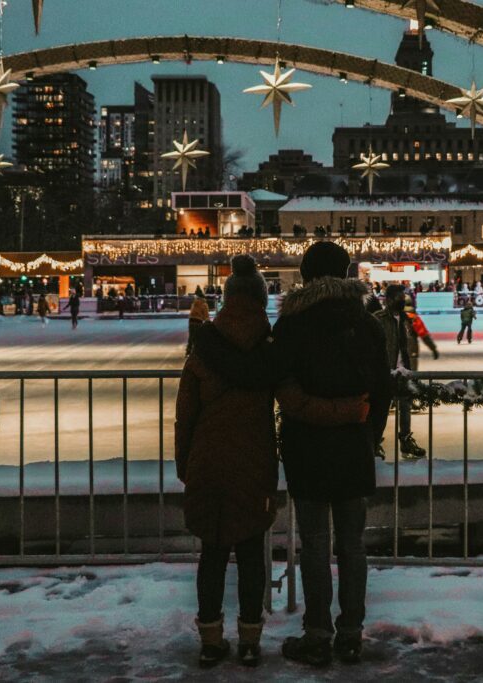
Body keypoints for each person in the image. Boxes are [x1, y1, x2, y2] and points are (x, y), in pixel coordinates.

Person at [176, 255, 369, 669]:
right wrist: (361, 420)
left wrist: (184, 465)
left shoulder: (214, 348)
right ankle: (253, 641)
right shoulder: (275, 342)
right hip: (266, 459)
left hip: (216, 460)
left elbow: (185, 413)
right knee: (257, 550)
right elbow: (293, 392)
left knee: (214, 551)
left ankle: (214, 640)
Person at [272, 242, 392, 666]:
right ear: (346, 273)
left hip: (307, 446)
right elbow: (381, 391)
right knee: (353, 545)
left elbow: (278, 380)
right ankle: (351, 632)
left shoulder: (292, 324)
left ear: (306, 276)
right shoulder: (368, 326)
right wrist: (366, 434)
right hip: (352, 447)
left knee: (316, 544)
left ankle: (318, 632)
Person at [373, 285, 435, 460]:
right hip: (385, 372)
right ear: (390, 299)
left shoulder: (408, 319)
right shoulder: (378, 319)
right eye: (400, 296)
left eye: (404, 296)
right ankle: (375, 443)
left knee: (405, 408)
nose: (403, 299)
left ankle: (406, 441)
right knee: (381, 409)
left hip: (404, 371)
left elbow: (414, 339)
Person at [187, 287, 210, 356]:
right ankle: (198, 351)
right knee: (198, 336)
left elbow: (191, 311)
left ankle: (188, 350)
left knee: (191, 336)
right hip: (198, 321)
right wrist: (208, 322)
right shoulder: (204, 304)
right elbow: (206, 315)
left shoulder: (194, 303)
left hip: (191, 320)